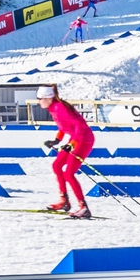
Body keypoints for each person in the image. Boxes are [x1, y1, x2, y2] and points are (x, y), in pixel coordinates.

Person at [38, 84, 94, 219]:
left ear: (48, 98)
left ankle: (83, 207)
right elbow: (64, 127)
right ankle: (64, 201)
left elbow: (79, 126)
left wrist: (72, 144)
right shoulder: (53, 108)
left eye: (40, 98)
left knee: (69, 173)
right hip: (75, 140)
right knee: (56, 165)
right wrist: (56, 140)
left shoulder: (59, 108)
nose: (38, 101)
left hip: (84, 140)